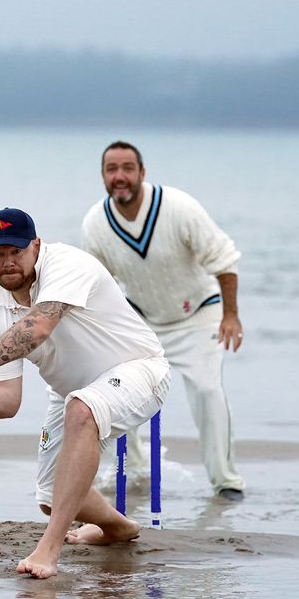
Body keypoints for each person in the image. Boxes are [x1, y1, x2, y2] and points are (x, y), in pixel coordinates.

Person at [0, 207, 172, 579]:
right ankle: (118, 528)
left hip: (140, 371)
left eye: (16, 251)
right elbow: (7, 402)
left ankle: (48, 551)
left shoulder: (68, 264)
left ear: (36, 246)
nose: (8, 262)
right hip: (72, 391)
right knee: (51, 498)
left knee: (82, 409)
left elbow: (35, 330)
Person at [81, 141, 246, 501]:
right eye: (112, 169)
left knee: (206, 389)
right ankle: (137, 470)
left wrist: (231, 315)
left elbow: (224, 259)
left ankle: (227, 482)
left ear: (142, 172)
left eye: (128, 168)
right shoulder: (95, 223)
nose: (120, 176)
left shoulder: (179, 208)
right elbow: (98, 285)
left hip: (199, 314)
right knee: (118, 389)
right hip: (142, 319)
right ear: (103, 176)